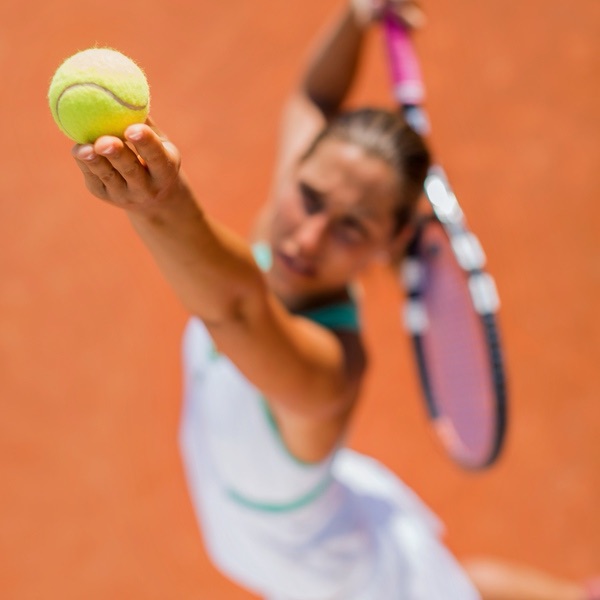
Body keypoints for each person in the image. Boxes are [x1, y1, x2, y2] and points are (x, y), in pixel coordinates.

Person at [70, 1, 599, 598]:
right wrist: (356, 15)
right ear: (298, 170)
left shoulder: (327, 372)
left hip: (353, 586)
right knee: (461, 581)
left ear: (393, 242)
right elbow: (314, 98)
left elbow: (237, 310)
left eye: (353, 227)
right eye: (310, 196)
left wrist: (159, 203)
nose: (307, 239)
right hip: (305, 530)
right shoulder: (286, 228)